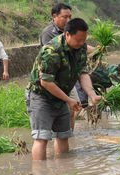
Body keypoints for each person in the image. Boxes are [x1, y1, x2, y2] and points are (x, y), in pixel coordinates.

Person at [26, 18, 102, 160]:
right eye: (78, 40)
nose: (81, 44)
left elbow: (83, 73)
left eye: (83, 40)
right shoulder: (51, 51)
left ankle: (63, 171)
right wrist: (69, 100)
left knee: (63, 135)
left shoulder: (81, 48)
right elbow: (46, 83)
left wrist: (92, 94)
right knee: (42, 137)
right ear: (67, 34)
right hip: (41, 96)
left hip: (61, 95)